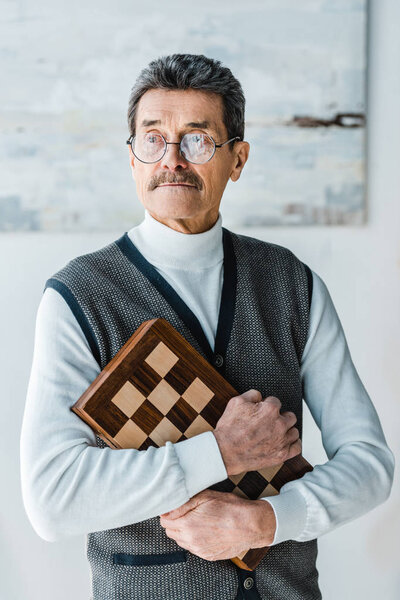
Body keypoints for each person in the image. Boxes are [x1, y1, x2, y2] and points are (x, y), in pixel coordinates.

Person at [20, 53, 394, 600]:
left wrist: (270, 520)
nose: (171, 159)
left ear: (237, 159)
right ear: (131, 158)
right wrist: (219, 452)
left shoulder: (292, 284)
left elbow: (371, 464)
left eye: (197, 140)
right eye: (152, 140)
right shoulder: (79, 296)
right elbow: (52, 501)